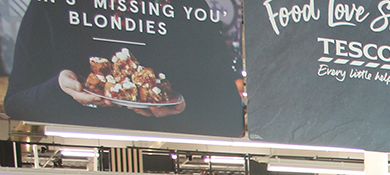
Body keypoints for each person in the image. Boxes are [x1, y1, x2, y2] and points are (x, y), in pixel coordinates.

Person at [3, 0, 243, 136]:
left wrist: (182, 107)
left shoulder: (187, 9)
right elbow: (15, 105)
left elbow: (230, 114)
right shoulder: (51, 6)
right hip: (78, 150)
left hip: (165, 154)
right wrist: (59, 88)